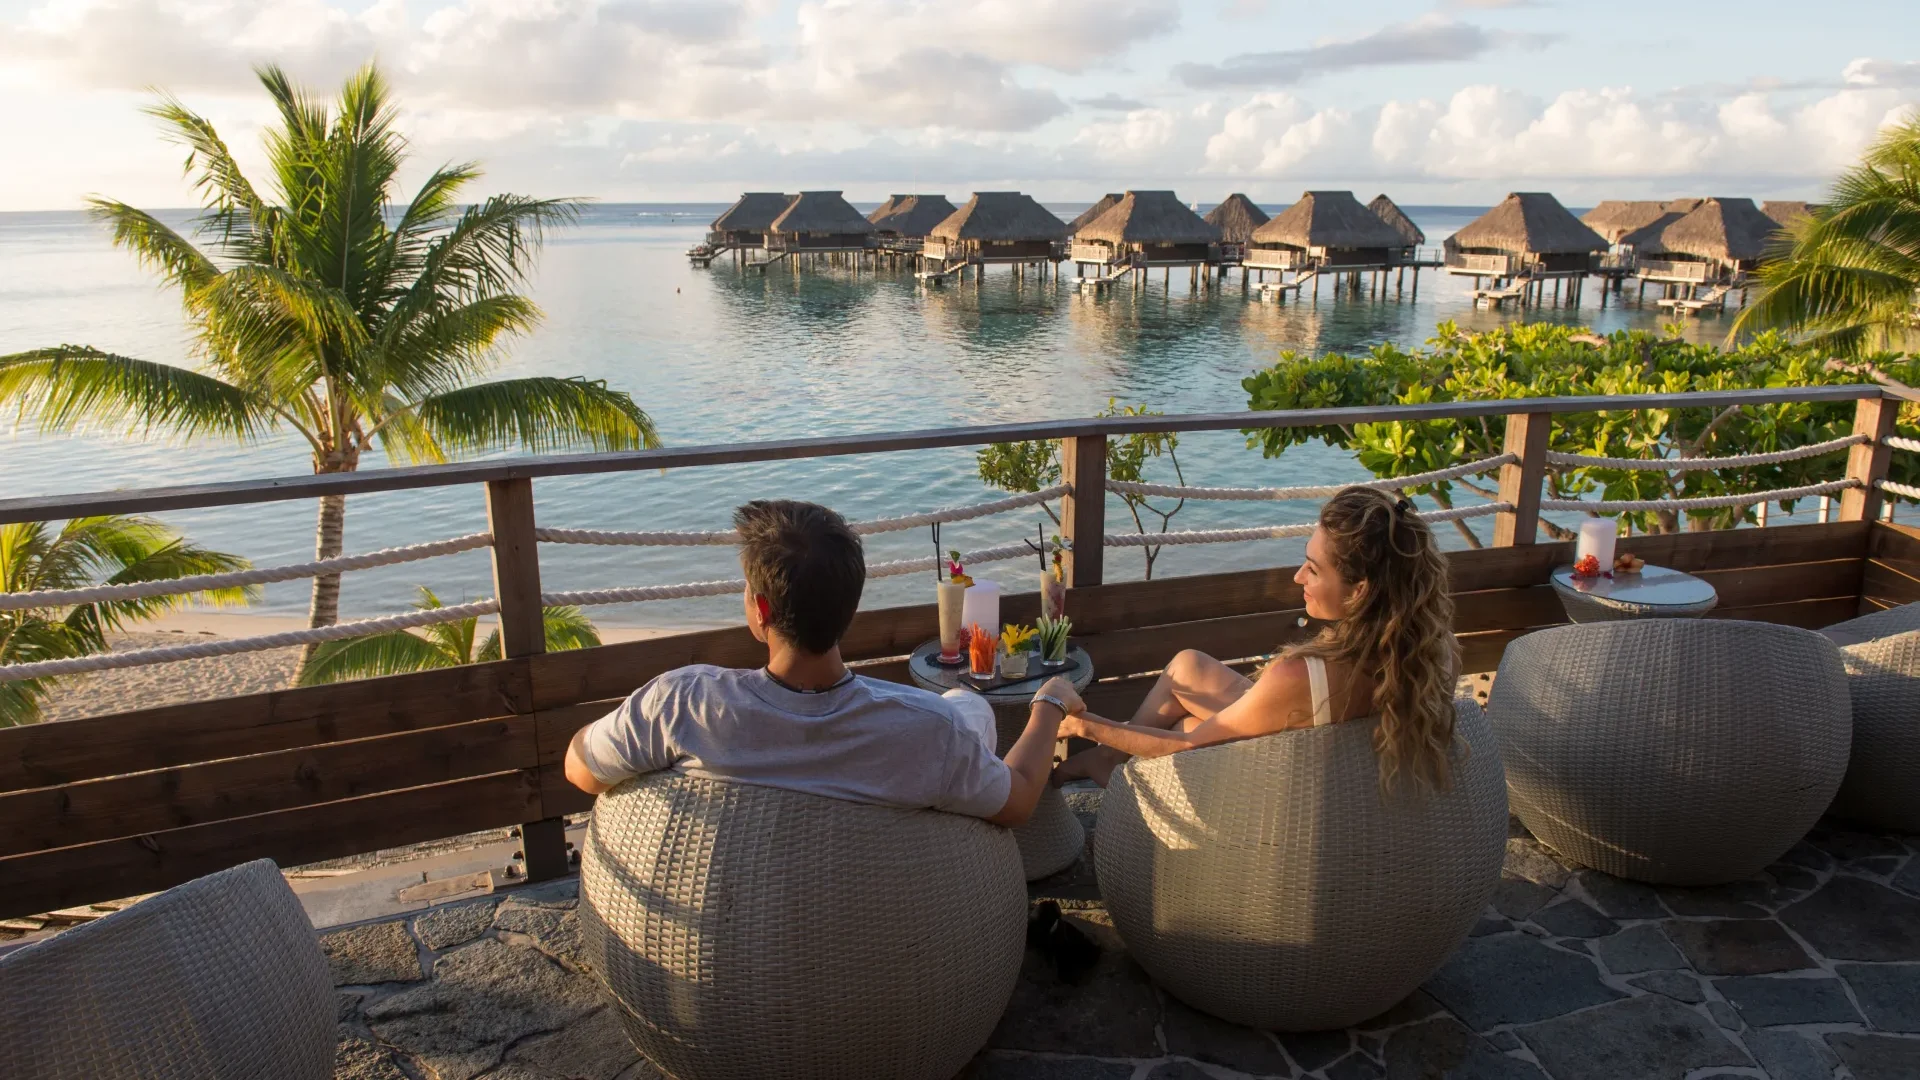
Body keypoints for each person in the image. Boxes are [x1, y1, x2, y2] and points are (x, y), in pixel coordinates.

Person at [562, 498, 1078, 826]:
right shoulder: (925, 732)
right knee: (968, 706)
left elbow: (580, 768)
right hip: (871, 933)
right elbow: (1018, 802)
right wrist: (1049, 704)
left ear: (761, 610)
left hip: (718, 941)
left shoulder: (684, 704)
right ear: (851, 606)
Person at [1052, 486, 1459, 792]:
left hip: (1280, 795)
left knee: (1188, 723)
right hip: (1336, 772)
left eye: (1314, 569)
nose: (1298, 576)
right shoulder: (1428, 651)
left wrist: (1087, 725)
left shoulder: (1301, 675)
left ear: (1359, 591)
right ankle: (1106, 760)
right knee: (1188, 667)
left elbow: (1187, 747)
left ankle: (1103, 760)